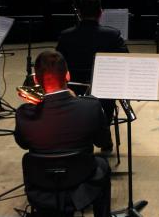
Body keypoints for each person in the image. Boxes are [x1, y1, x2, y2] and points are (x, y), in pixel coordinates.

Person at [14, 50, 112, 217]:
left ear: (36, 80)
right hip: (81, 183)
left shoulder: (24, 113)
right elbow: (103, 141)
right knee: (102, 164)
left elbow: (23, 143)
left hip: (41, 186)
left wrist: (35, 104)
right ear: (67, 76)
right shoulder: (91, 107)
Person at [56, 0, 128, 84]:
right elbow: (124, 61)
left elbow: (58, 64)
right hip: (104, 87)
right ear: (100, 13)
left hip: (74, 88)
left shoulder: (65, 35)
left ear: (79, 12)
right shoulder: (113, 35)